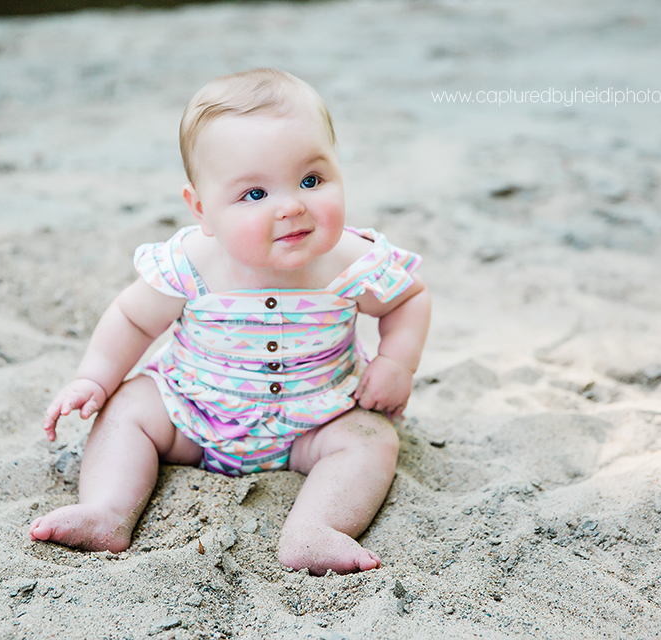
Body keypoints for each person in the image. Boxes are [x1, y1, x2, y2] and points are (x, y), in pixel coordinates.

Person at [28, 68, 431, 576]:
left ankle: (315, 528)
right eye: (255, 194)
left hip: (317, 419)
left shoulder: (349, 260)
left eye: (312, 180)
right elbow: (132, 319)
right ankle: (107, 510)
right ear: (202, 210)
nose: (292, 207)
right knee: (127, 406)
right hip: (194, 413)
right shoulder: (192, 262)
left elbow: (408, 300)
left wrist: (397, 361)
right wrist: (94, 377)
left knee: (372, 440)